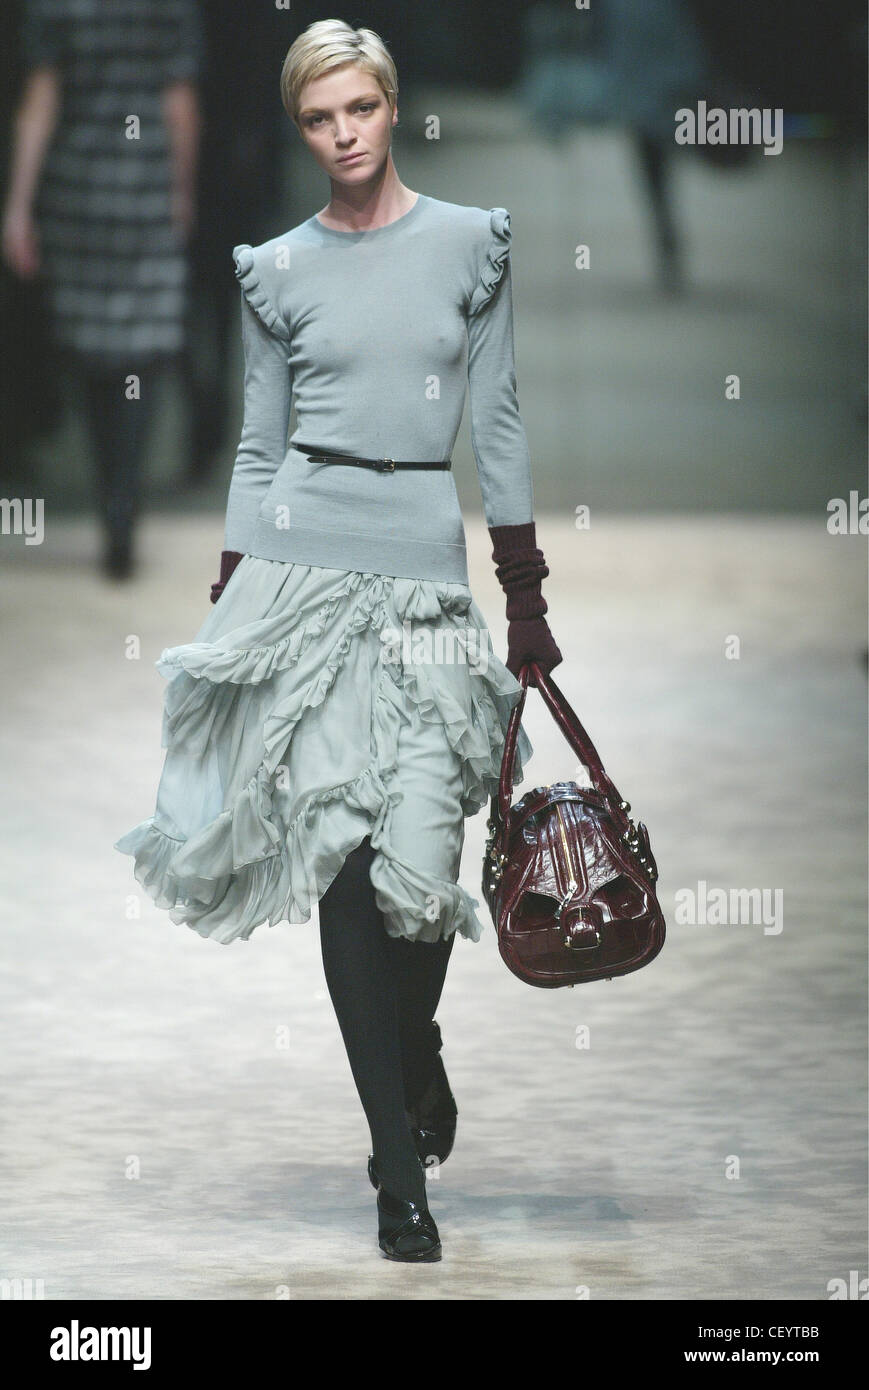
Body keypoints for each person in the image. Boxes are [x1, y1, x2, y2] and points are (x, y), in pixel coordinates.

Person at [114, 18, 563, 1263]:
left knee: (420, 866)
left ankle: (412, 1050)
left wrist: (521, 592)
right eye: (319, 119)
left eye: (359, 108)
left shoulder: (469, 244)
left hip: (424, 584)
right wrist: (232, 586)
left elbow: (502, 417)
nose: (343, 134)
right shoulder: (277, 269)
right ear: (303, 127)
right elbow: (260, 444)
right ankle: (394, 1168)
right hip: (304, 578)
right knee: (343, 862)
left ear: (392, 104)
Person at [1, 0, 202, 578]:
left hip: (78, 188)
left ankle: (112, 493)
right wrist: (182, 191)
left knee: (92, 347)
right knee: (145, 344)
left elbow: (39, 102)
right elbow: (179, 102)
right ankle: (124, 492)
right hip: (146, 188)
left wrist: (19, 205)